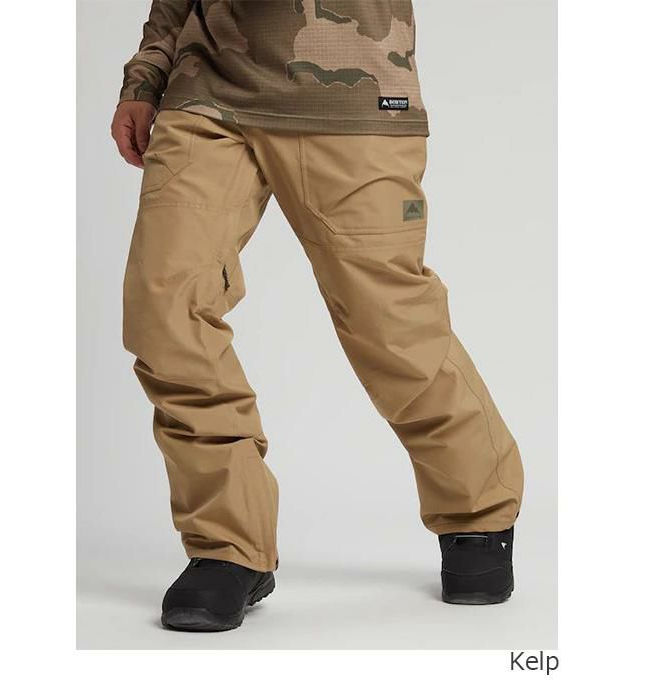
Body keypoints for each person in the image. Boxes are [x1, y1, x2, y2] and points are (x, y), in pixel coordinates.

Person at [111, 0, 524, 632]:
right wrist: (146, 77)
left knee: (391, 324)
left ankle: (479, 512)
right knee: (163, 308)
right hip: (206, 92)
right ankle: (229, 544)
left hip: (353, 92)